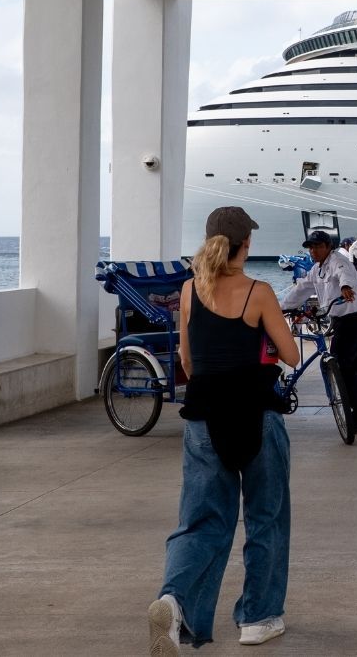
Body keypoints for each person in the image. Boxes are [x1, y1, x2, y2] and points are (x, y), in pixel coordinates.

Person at [149, 206, 299, 654]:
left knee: (200, 522)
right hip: (256, 416)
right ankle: (259, 618)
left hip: (203, 419)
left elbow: (188, 361)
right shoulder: (259, 292)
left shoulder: (191, 289)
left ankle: (174, 601)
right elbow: (290, 355)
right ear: (245, 245)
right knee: (265, 518)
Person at [280, 229, 357, 434]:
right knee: (354, 366)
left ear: (328, 247)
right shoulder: (317, 269)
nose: (313, 251)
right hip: (341, 319)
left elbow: (344, 274)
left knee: (343, 365)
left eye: (317, 246)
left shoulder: (338, 260)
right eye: (311, 247)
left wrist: (346, 287)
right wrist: (280, 307)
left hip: (352, 318)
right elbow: (302, 288)